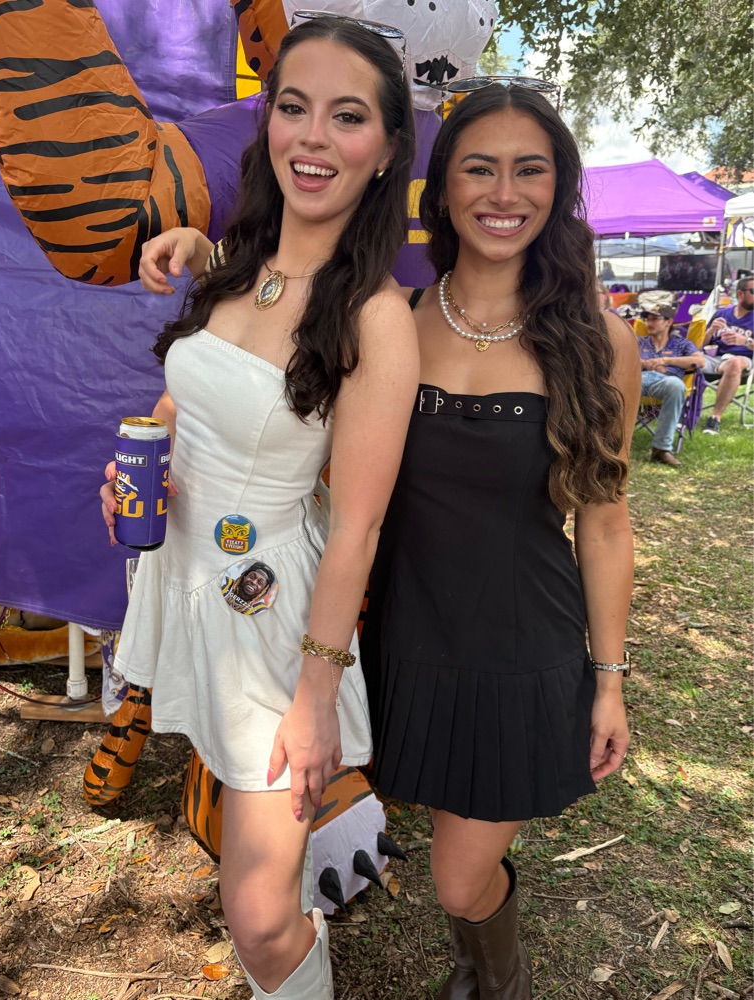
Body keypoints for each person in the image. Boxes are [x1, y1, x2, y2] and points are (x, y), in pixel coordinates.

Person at [100, 16, 418, 999]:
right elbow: (191, 403)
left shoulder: (375, 317)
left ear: (386, 151)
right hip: (185, 582)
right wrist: (138, 479)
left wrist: (316, 701)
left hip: (268, 627)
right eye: (293, 107)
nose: (313, 137)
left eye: (347, 117)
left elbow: (357, 525)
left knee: (262, 916)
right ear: (267, 121)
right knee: (251, 896)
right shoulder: (237, 263)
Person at [359, 81, 640, 998]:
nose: (504, 193)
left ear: (558, 189)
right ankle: (478, 972)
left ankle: (498, 980)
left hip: (521, 645)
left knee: (455, 876)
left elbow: (604, 521)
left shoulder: (599, 340)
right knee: (447, 831)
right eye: (479, 168)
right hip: (402, 636)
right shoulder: (389, 321)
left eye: (531, 170)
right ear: (441, 188)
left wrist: (608, 681)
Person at [637, 303, 705, 466]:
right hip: (638, 380)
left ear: (669, 322)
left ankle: (661, 449)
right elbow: (621, 356)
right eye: (647, 319)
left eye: (655, 319)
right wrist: (645, 363)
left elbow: (700, 361)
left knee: (676, 386)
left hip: (666, 382)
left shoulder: (681, 344)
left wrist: (666, 361)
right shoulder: (639, 342)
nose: (649, 323)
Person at [701, 275, 754, 434]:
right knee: (687, 359)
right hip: (714, 358)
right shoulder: (721, 313)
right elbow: (699, 345)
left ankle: (715, 418)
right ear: (740, 294)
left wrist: (745, 341)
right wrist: (710, 332)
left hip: (743, 360)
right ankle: (681, 412)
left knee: (735, 363)